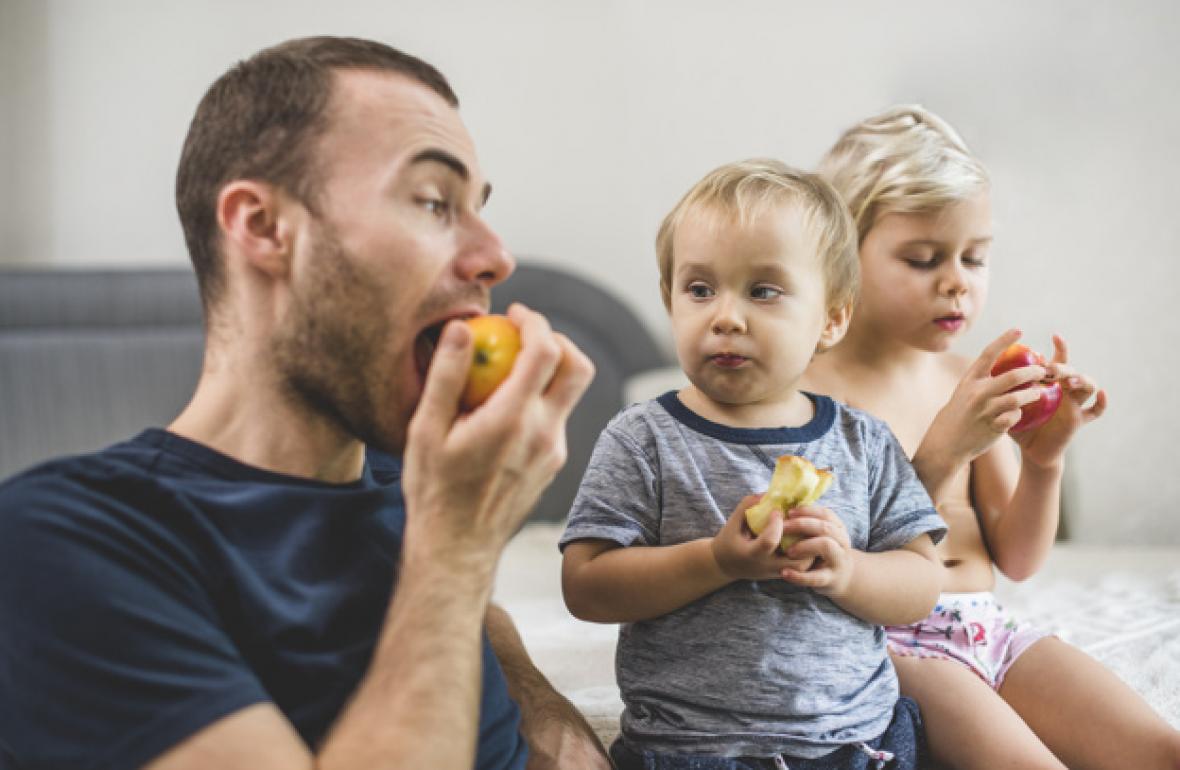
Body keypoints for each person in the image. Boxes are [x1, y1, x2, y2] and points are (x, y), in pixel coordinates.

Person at [0, 36, 607, 770]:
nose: (496, 256)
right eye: (432, 201)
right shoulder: (66, 537)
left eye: (479, 208)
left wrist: (540, 709)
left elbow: (477, 613)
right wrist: (456, 547)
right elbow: (443, 580)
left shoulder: (415, 478)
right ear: (262, 227)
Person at [805, 104, 1180, 769]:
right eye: (924, 259)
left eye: (975, 258)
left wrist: (1044, 463)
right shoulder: (814, 396)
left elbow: (1018, 558)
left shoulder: (966, 376)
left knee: (1161, 751)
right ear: (842, 255)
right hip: (890, 643)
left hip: (989, 627)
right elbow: (840, 559)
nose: (958, 281)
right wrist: (947, 449)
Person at [560, 159, 948, 770]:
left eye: (763, 290)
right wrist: (714, 560)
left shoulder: (863, 440)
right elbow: (585, 586)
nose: (726, 316)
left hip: (851, 743)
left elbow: (922, 583)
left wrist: (848, 572)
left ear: (833, 318)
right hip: (686, 748)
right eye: (699, 290)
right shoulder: (642, 438)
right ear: (670, 300)